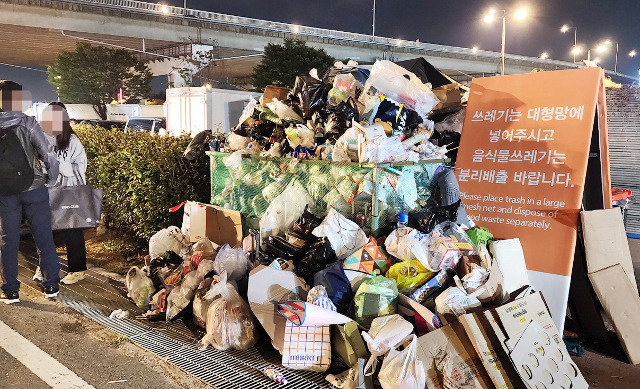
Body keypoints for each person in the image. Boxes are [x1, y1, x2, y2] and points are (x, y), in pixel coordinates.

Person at [0, 80, 60, 303]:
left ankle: (11, 290)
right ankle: (51, 284)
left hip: (5, 191)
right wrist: (50, 178)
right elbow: (47, 154)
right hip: (34, 187)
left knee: (8, 239)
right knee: (43, 235)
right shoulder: (27, 122)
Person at [33, 103, 88, 285]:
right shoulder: (43, 138)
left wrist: (55, 160)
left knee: (72, 231)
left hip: (69, 191)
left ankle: (77, 269)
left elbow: (79, 168)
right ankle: (44, 267)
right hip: (48, 190)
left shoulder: (72, 141)